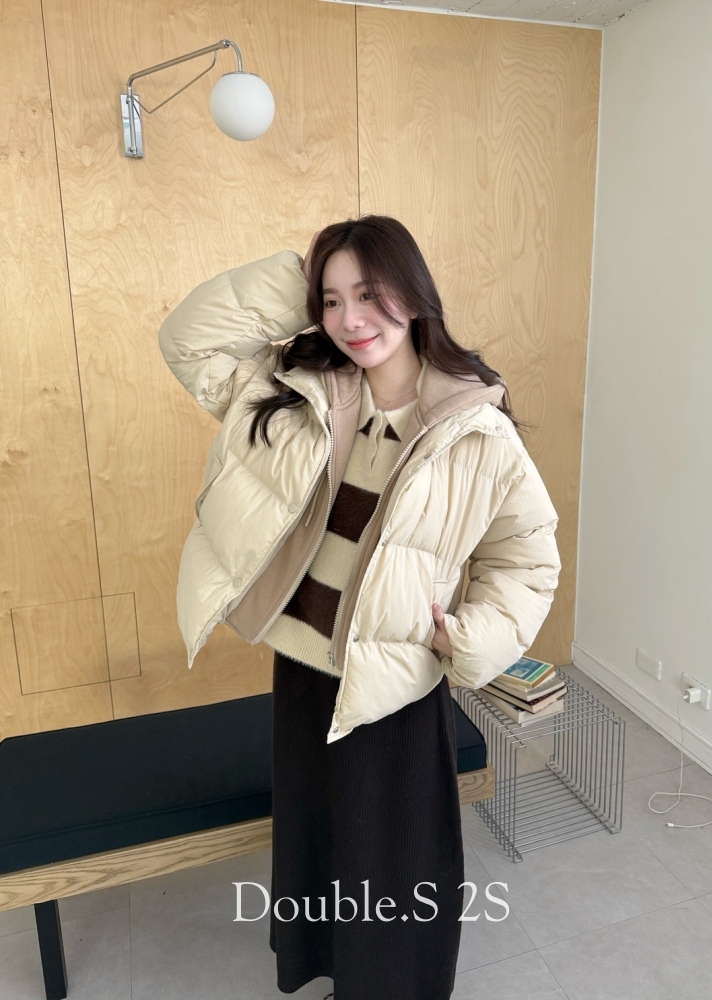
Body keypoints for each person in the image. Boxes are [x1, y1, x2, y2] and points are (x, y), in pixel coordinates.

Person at [158, 214, 561, 1000]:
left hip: (394, 680)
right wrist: (302, 275)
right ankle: (331, 970)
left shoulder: (475, 429)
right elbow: (189, 341)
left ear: (414, 293)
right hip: (305, 668)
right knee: (317, 838)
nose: (351, 319)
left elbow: (526, 558)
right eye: (332, 300)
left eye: (371, 294)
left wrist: (469, 640)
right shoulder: (295, 393)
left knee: (397, 861)